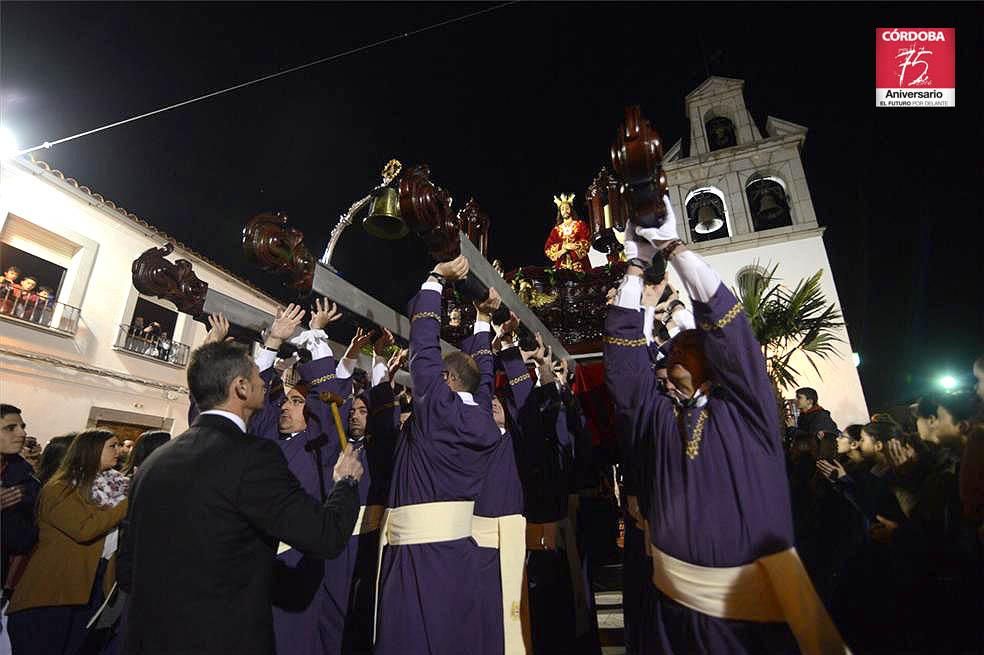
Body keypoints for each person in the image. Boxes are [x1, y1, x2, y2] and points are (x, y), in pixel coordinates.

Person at [605, 195, 846, 654]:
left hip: (748, 621)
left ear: (707, 364)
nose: (669, 356)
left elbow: (729, 328)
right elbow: (622, 363)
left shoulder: (747, 412)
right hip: (674, 612)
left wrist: (674, 248)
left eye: (681, 353)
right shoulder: (659, 414)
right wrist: (636, 267)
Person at [118, 338, 363, 655]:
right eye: (258, 378)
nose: (266, 383)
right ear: (242, 388)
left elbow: (126, 570)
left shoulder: (154, 462)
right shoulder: (253, 457)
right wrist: (345, 484)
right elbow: (325, 536)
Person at [373, 255, 502, 655]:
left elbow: (424, 348)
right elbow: (480, 383)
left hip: (416, 561)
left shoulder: (438, 412)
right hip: (459, 557)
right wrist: (482, 321)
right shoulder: (484, 421)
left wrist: (435, 278)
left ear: (446, 381)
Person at [6, 430, 128, 655]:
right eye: (113, 445)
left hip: (89, 591)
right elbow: (84, 529)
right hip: (51, 595)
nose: (119, 451)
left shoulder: (112, 487)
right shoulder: (60, 488)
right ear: (91, 451)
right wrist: (127, 504)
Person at [1, 405, 41, 611]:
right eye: (10, 428)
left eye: (22, 426)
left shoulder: (25, 478)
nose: (22, 433)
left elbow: (25, 538)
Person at [543, 193, 591, 272]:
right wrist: (564, 247)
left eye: (567, 208)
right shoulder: (556, 230)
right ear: (560, 212)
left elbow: (586, 240)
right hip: (562, 265)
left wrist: (574, 246)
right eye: (562, 209)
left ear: (571, 209)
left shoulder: (580, 224)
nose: (565, 211)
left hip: (580, 264)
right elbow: (548, 248)